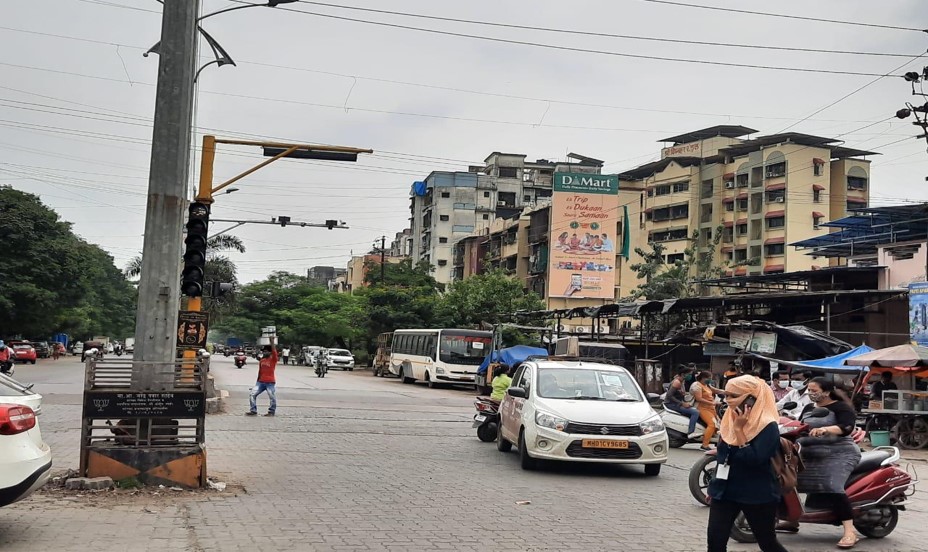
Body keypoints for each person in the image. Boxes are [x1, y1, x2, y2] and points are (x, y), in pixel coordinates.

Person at [776, 377, 861, 549]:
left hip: (839, 453)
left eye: (814, 391)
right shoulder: (808, 408)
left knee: (832, 486)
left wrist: (825, 429)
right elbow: (801, 427)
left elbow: (847, 427)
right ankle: (792, 520)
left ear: (827, 392)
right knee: (787, 482)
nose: (810, 393)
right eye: (809, 390)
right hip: (810, 454)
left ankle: (850, 531)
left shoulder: (840, 407)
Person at [706, 375, 788, 552]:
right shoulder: (729, 417)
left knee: (767, 542)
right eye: (726, 395)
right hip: (725, 492)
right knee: (715, 541)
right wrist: (715, 486)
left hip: (756, 493)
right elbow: (722, 457)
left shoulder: (767, 425)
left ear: (752, 397)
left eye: (733, 396)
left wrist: (739, 431)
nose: (728, 400)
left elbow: (754, 460)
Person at [664, 367, 701, 439]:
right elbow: (669, 395)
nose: (690, 376)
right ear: (683, 374)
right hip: (672, 404)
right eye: (689, 374)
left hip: (677, 403)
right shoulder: (677, 382)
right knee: (695, 412)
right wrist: (682, 404)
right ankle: (691, 432)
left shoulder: (682, 381)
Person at [247, 336, 278, 417]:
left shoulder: (273, 359)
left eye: (267, 351)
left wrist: (272, 341)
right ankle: (253, 410)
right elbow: (260, 371)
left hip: (270, 382)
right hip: (260, 382)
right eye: (264, 351)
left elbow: (274, 350)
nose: (265, 353)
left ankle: (271, 411)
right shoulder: (262, 360)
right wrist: (257, 382)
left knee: (272, 396)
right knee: (252, 395)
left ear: (270, 353)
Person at [691, 371, 719, 451]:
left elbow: (716, 391)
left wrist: (728, 392)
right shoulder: (697, 385)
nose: (710, 379)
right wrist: (713, 403)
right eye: (708, 378)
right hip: (702, 408)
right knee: (712, 424)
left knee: (718, 424)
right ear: (703, 378)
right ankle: (705, 445)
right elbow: (699, 399)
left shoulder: (707, 385)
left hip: (711, 408)